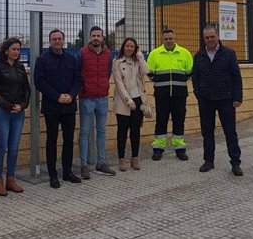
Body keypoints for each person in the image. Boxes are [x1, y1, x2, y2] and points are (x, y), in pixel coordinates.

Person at [33, 28, 83, 188]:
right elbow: (39, 82)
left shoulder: (71, 59)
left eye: (59, 38)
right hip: (52, 107)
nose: (57, 41)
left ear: (63, 40)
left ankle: (67, 172)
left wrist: (72, 95)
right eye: (54, 39)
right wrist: (57, 96)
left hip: (69, 106)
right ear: (50, 41)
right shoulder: (42, 60)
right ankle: (53, 175)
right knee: (51, 141)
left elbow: (78, 79)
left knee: (69, 140)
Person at [191, 25, 244, 176]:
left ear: (218, 36)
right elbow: (195, 76)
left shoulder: (228, 53)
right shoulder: (199, 55)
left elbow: (236, 76)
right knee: (207, 132)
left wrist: (238, 97)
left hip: (226, 99)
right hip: (206, 100)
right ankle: (209, 161)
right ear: (204, 39)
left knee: (230, 132)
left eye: (212, 37)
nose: (210, 40)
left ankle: (235, 163)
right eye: (207, 38)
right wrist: (198, 93)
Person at [0, 37, 30, 196]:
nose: (16, 52)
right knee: (1, 147)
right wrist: (8, 105)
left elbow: (27, 89)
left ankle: (10, 180)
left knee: (14, 148)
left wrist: (23, 105)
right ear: (6, 50)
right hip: (2, 113)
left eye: (18, 49)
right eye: (13, 49)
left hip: (18, 113)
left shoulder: (20, 67)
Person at [147, 29, 193, 161]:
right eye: (166, 39)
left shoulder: (185, 53)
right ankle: (158, 149)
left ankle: (180, 149)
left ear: (175, 38)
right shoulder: (154, 54)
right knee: (161, 121)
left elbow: (190, 72)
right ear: (162, 39)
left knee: (179, 121)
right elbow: (150, 73)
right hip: (162, 96)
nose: (168, 41)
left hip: (180, 95)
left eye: (170, 38)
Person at [77, 26, 115, 179]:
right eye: (93, 35)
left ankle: (101, 163)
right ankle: (84, 165)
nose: (96, 38)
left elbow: (108, 72)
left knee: (101, 131)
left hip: (103, 99)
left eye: (98, 35)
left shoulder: (108, 54)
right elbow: (78, 73)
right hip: (87, 98)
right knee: (85, 132)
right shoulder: (82, 53)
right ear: (90, 37)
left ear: (102, 37)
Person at [112, 37, 149, 171]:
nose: (129, 48)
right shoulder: (117, 62)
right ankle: (121, 159)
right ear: (123, 47)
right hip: (123, 101)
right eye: (127, 46)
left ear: (135, 48)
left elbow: (147, 71)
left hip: (138, 99)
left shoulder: (137, 61)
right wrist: (128, 100)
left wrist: (140, 57)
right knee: (122, 131)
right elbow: (119, 84)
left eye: (132, 47)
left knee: (135, 131)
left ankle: (135, 157)